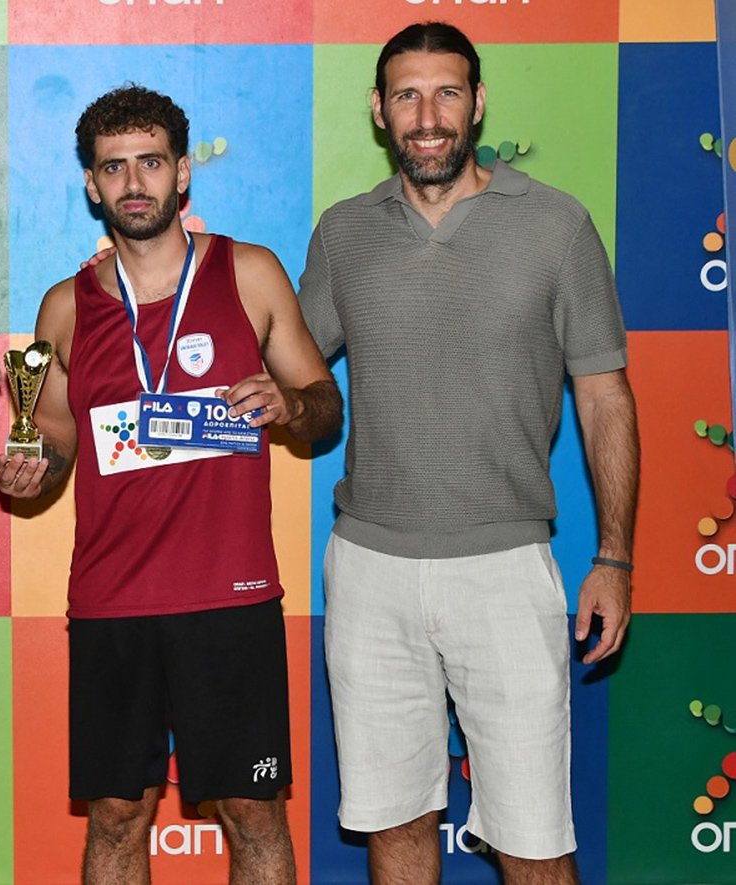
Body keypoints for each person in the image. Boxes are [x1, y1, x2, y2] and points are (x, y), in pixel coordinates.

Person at [297, 23, 639, 884]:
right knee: (397, 827)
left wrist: (615, 557)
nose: (428, 116)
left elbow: (604, 395)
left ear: (479, 103)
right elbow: (292, 384)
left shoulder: (558, 226)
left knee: (533, 840)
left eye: (447, 92)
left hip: (506, 569)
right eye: (407, 95)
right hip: (369, 568)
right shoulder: (342, 234)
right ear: (379, 112)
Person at [0, 85, 343, 885]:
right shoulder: (65, 307)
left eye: (150, 162)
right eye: (113, 167)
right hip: (115, 599)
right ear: (92, 184)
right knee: (118, 817)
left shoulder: (248, 272)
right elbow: (51, 437)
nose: (133, 182)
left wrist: (289, 403)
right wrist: (28, 467)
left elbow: (325, 408)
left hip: (231, 593)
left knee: (254, 815)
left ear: (183, 172)